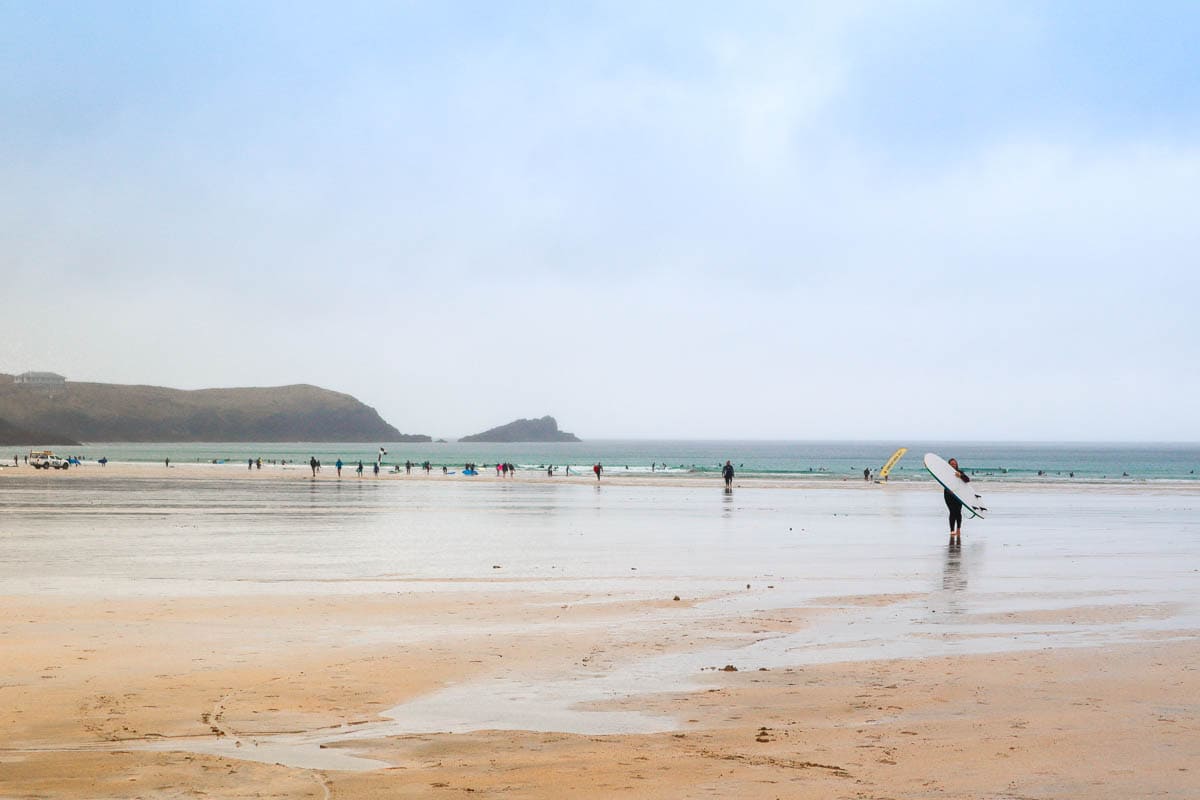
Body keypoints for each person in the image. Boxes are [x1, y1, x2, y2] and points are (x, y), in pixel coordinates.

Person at [944, 457, 970, 539]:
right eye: (951, 464)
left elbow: (967, 480)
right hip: (949, 494)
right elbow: (941, 481)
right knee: (952, 511)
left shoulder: (960, 472)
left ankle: (958, 529)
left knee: (958, 512)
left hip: (959, 494)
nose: (953, 465)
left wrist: (961, 476)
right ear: (949, 465)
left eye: (954, 464)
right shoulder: (944, 473)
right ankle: (952, 530)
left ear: (956, 465)